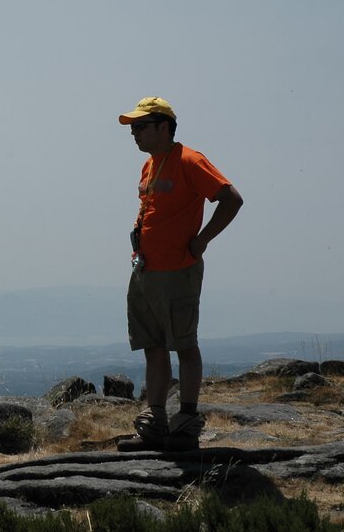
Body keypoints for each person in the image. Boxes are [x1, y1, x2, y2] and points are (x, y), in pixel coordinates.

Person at [118, 97, 243, 450]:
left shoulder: (190, 160)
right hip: (145, 270)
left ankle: (186, 423)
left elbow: (231, 198)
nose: (134, 133)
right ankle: (156, 423)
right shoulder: (150, 166)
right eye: (132, 127)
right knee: (153, 346)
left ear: (163, 126)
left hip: (178, 271)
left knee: (184, 345)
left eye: (140, 126)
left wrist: (202, 241)